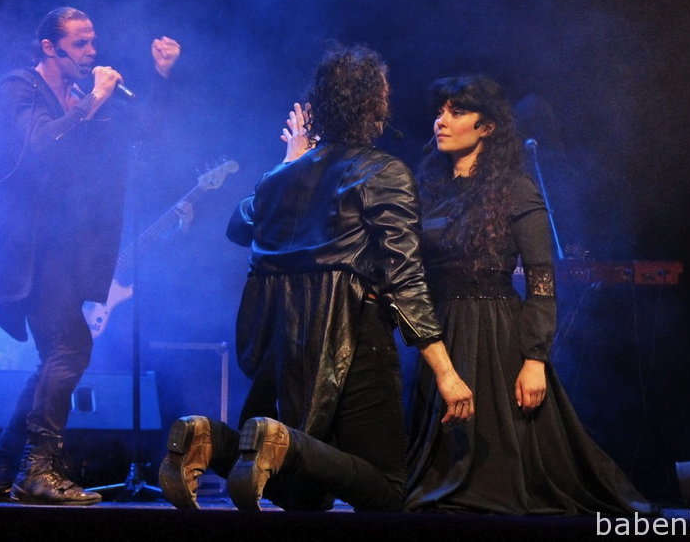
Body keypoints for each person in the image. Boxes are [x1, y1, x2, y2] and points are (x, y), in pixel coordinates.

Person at [158, 44, 473, 512]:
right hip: (353, 339)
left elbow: (239, 225)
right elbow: (405, 278)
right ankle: (279, 442)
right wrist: (445, 372)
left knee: (301, 492)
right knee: (388, 491)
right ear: (375, 103)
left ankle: (210, 439)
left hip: (282, 343)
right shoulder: (384, 172)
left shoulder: (281, 177)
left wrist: (290, 162)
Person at [404, 75, 652, 515]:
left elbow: (541, 280)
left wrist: (535, 359)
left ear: (487, 128)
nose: (441, 121)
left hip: (497, 333)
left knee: (509, 464)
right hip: (442, 331)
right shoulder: (428, 190)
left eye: (456, 112)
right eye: (439, 111)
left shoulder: (515, 189)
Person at [0, 7, 181, 504]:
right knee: (70, 347)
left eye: (92, 42)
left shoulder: (87, 99)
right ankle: (37, 470)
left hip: (68, 250)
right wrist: (93, 99)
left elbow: (146, 134)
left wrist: (161, 78)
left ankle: (0, 468)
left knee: (57, 354)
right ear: (50, 47)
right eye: (80, 44)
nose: (92, 53)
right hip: (30, 249)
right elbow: (39, 147)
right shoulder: (19, 89)